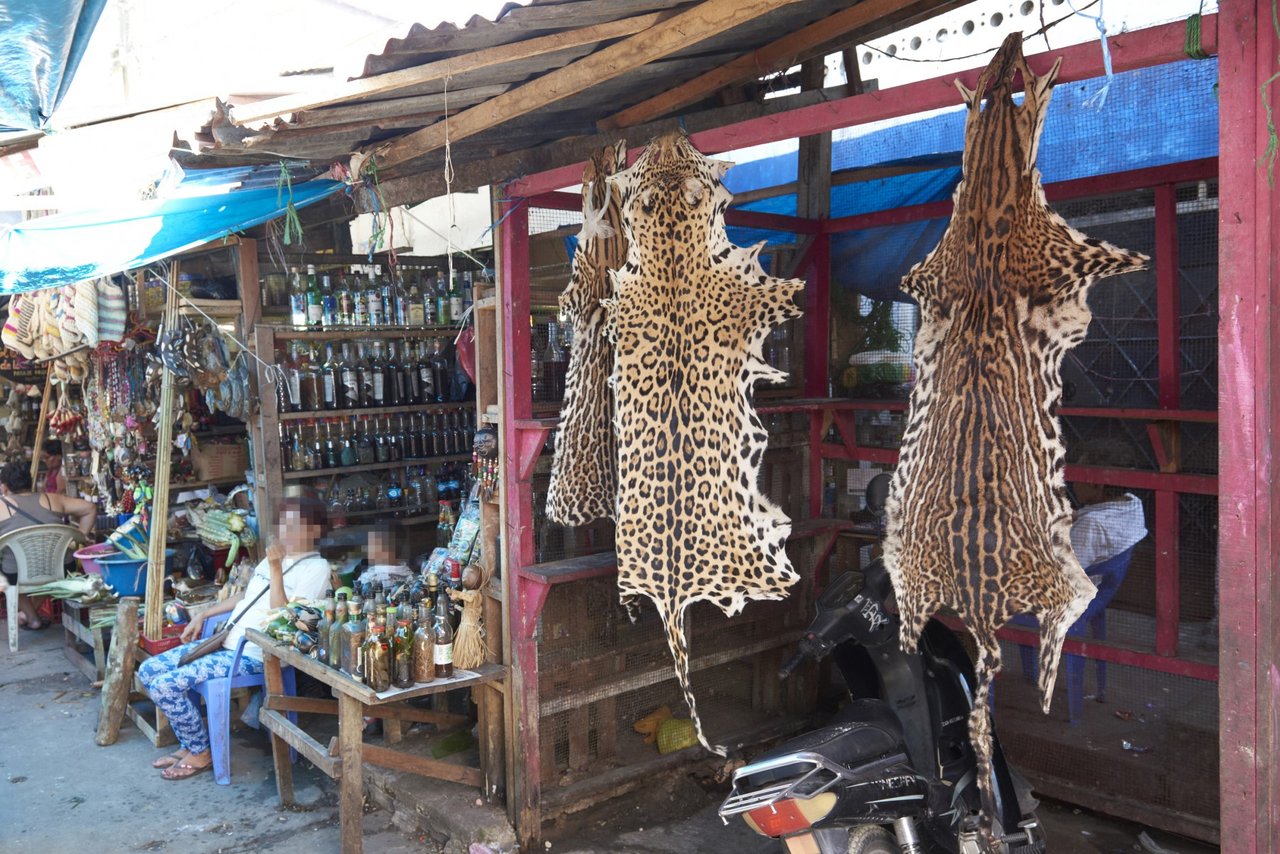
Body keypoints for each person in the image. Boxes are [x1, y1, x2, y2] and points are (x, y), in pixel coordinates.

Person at [138, 496, 331, 780]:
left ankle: (200, 752)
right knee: (147, 670)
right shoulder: (272, 559)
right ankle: (192, 744)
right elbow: (248, 595)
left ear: (314, 531)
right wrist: (205, 614)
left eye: (295, 527)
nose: (285, 534)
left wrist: (276, 570)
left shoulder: (317, 568)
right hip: (227, 643)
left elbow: (288, 618)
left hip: (255, 654)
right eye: (283, 527)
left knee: (164, 687)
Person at [0, 460, 97, 631]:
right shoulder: (51, 499)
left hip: (16, 574)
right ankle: (30, 616)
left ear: (5, 485)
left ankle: (31, 617)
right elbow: (90, 507)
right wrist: (80, 537)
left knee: (8, 573)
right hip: (60, 568)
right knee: (49, 566)